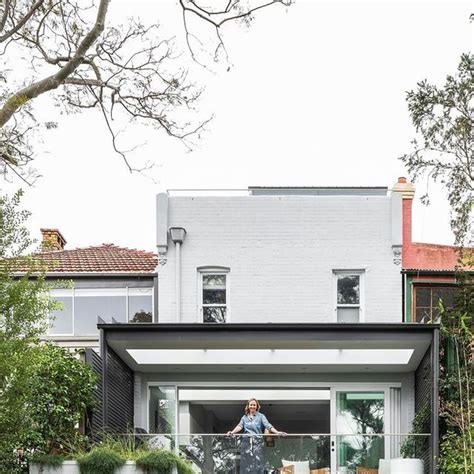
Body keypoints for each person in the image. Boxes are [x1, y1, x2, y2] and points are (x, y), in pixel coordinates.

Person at [227, 398, 286, 474]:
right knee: (246, 463)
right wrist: (232, 432)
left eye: (254, 405)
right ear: (248, 406)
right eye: (251, 405)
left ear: (257, 406)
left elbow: (268, 425)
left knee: (258, 462)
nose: (252, 406)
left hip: (257, 442)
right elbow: (240, 426)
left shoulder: (261, 416)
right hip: (246, 442)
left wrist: (277, 432)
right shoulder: (244, 417)